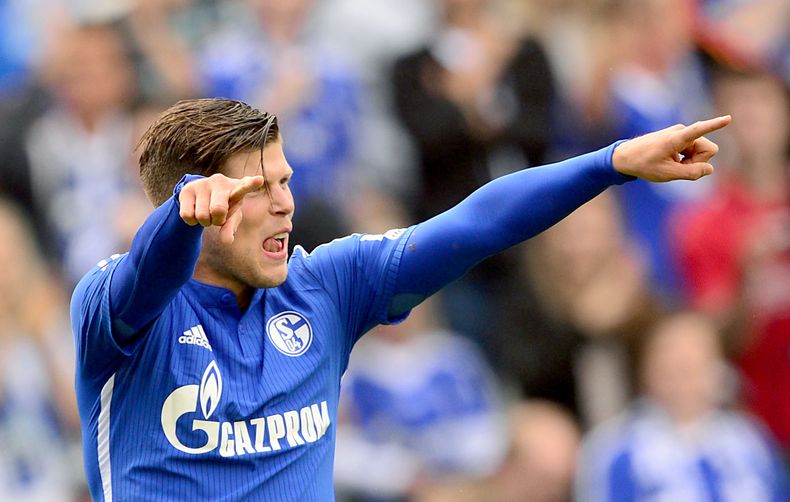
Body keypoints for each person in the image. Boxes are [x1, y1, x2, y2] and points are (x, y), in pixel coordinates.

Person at [70, 97, 730, 501]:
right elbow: (148, 273)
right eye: (257, 190)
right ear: (201, 204)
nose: (285, 205)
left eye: (286, 181)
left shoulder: (325, 288)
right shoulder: (113, 310)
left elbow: (477, 223)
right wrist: (179, 219)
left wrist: (610, 163)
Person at [575, 312, 789, 501]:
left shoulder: (748, 438)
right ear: (647, 369)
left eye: (696, 362)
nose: (684, 375)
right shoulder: (614, 450)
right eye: (673, 362)